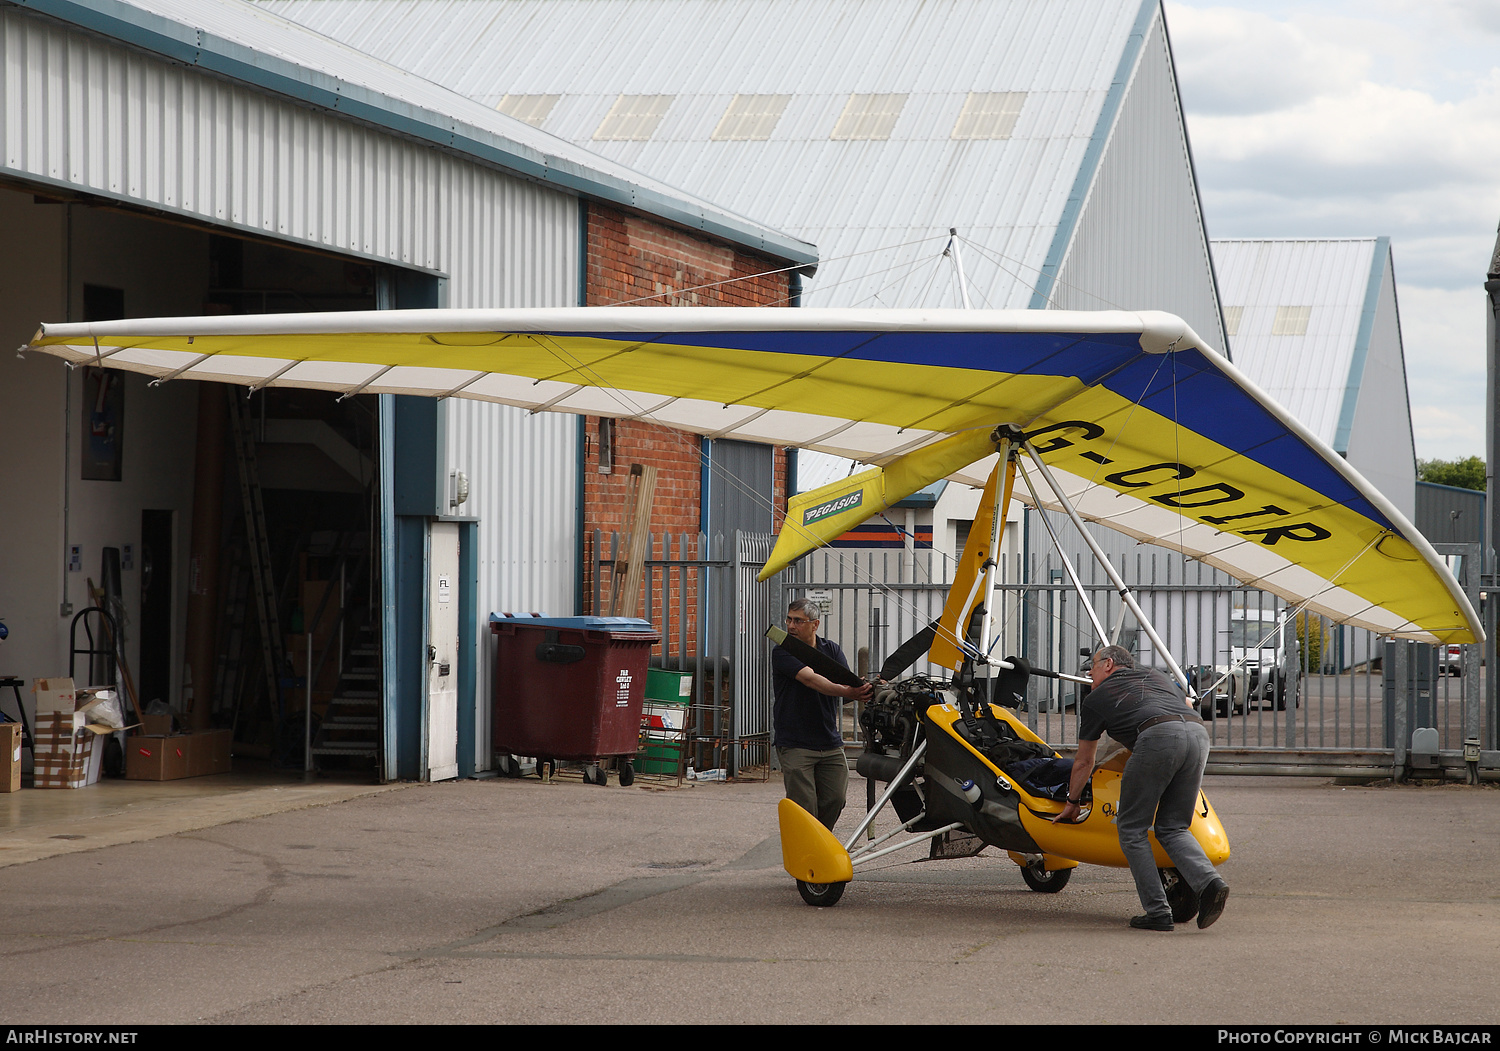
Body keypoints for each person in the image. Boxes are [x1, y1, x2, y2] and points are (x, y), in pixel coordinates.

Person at [1054, 645, 1230, 932]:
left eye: (1093, 665)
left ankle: (1158, 912)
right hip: (1197, 734)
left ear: (1109, 664)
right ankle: (1210, 883)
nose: (1089, 672)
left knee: (1132, 828)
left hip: (1158, 736)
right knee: (1173, 827)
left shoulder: (1097, 698)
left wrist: (1073, 802)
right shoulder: (1156, 675)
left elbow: (1085, 761)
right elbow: (1186, 704)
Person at [771, 599, 872, 830]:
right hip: (795, 743)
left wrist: (861, 688)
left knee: (836, 799)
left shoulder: (831, 650)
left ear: (815, 624)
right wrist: (849, 690)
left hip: (829, 741)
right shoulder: (783, 651)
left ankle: (819, 842)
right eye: (789, 619)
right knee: (805, 806)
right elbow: (811, 680)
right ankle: (808, 854)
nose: (791, 626)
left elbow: (845, 685)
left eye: (798, 621)